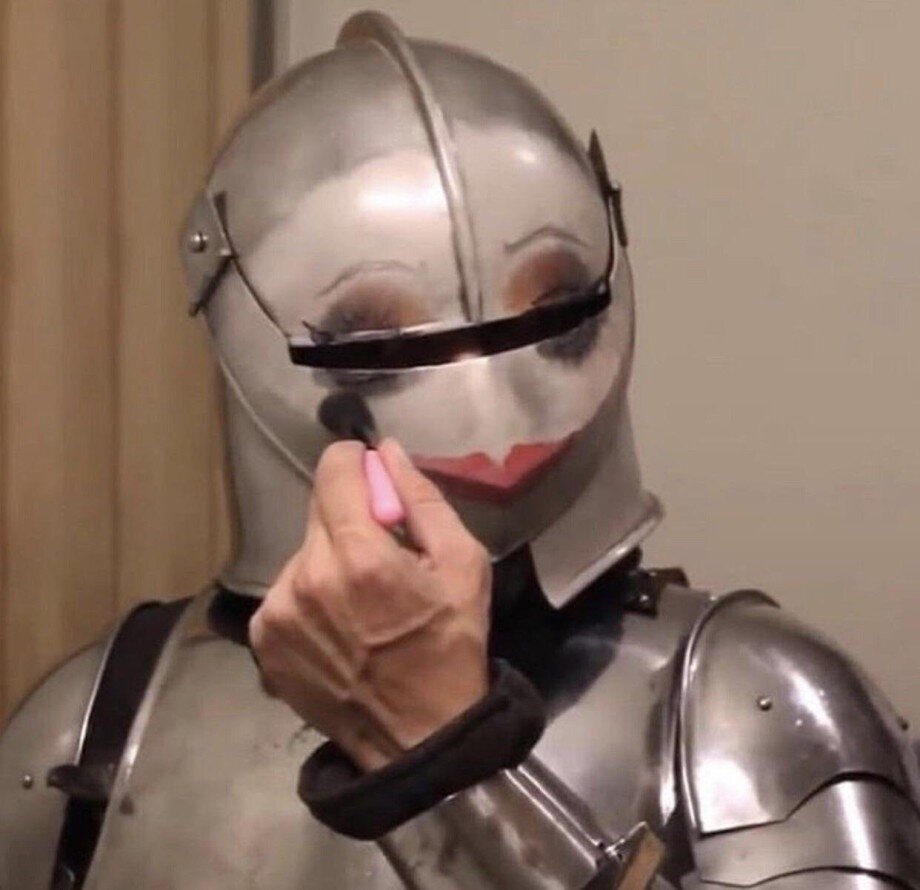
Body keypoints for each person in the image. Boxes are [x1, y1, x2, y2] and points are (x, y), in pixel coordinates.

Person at [2, 11, 918, 889]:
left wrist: (440, 756)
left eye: (554, 315)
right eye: (378, 344)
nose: (496, 410)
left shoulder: (754, 707)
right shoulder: (92, 724)